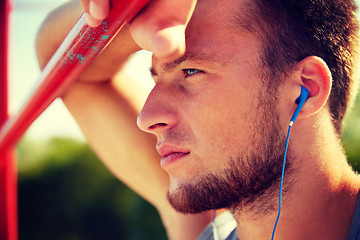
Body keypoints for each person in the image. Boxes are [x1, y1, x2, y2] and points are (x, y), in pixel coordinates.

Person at [36, 0, 360, 239]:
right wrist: (138, 16)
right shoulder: (207, 223)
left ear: (306, 88)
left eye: (191, 71)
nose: (146, 118)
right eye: (155, 78)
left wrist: (124, 12)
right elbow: (63, 66)